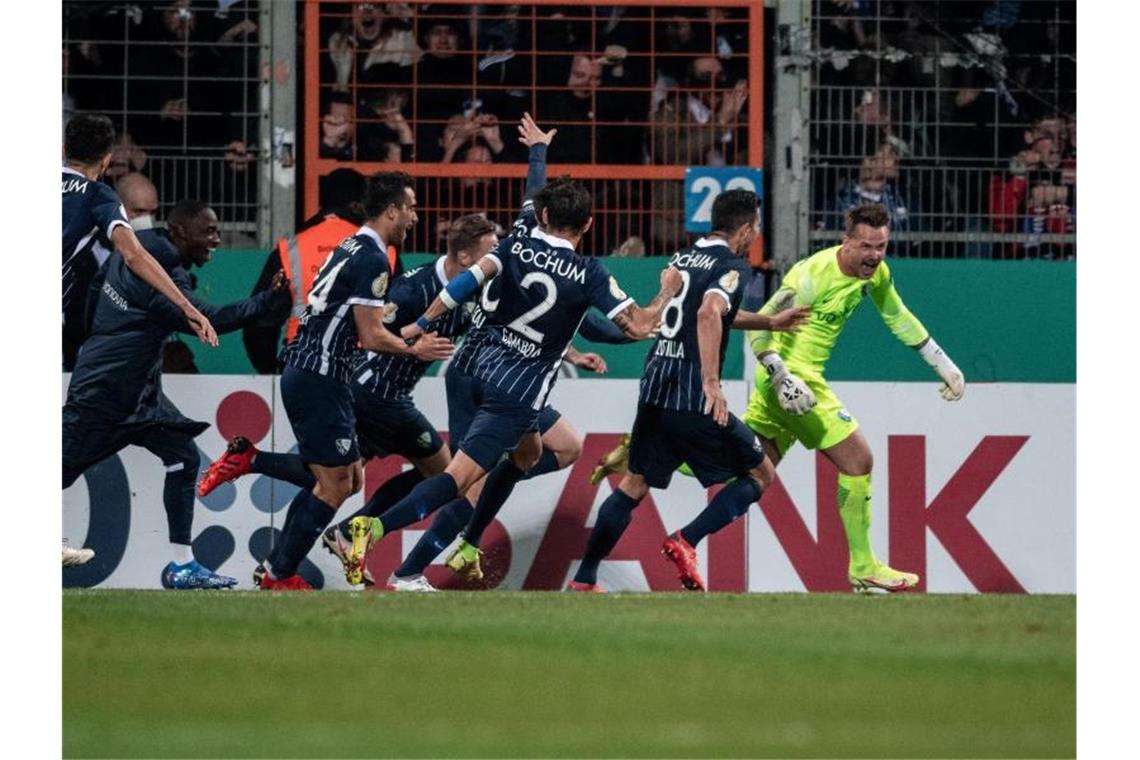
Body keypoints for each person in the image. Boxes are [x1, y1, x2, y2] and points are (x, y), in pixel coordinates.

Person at [593, 203, 966, 593]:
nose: (874, 255)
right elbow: (761, 328)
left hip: (797, 382)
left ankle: (648, 466)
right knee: (859, 459)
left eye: (881, 246)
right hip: (790, 381)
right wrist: (782, 375)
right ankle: (863, 566)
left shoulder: (877, 275)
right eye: (866, 246)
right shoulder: (809, 276)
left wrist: (941, 362)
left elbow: (897, 315)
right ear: (846, 241)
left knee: (752, 471)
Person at [361, 133, 684, 583]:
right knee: (461, 481)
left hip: (480, 365)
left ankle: (466, 543)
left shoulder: (515, 242)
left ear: (545, 216)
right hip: (514, 388)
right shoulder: (589, 273)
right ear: (588, 225)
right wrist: (668, 288)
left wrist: (422, 323)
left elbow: (465, 282)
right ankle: (383, 541)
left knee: (547, 450)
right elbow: (639, 326)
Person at [569, 190, 809, 592]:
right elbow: (708, 312)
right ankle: (686, 540)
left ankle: (584, 577)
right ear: (747, 229)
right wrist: (711, 383)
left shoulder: (683, 257)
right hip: (691, 395)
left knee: (634, 482)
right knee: (760, 473)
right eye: (757, 226)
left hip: (655, 387)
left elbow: (709, 312)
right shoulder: (732, 265)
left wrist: (770, 323)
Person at [62, 200, 290, 584]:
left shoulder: (139, 244)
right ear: (181, 232)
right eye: (209, 231)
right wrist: (272, 300)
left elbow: (95, 289)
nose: (215, 240)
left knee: (183, 457)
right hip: (107, 392)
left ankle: (182, 565)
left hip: (138, 394)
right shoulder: (160, 271)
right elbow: (211, 319)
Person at [251, 171, 453, 590]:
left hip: (319, 371)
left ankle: (277, 562)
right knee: (335, 482)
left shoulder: (350, 244)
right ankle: (278, 571)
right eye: (411, 208)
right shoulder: (374, 258)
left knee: (346, 478)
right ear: (392, 210)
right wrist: (414, 349)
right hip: (319, 373)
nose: (415, 218)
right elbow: (372, 335)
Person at [63, 113, 216, 359]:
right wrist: (186, 306)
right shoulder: (98, 196)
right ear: (106, 160)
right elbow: (134, 254)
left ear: (63, 149)